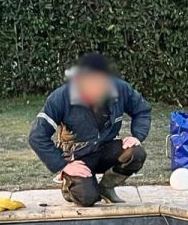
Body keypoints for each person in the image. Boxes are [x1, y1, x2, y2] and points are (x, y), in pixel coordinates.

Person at [29, 52, 152, 207]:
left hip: (104, 147)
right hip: (76, 156)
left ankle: (106, 187)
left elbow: (142, 110)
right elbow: (37, 136)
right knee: (88, 198)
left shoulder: (120, 89)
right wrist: (64, 165)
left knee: (136, 152)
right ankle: (70, 185)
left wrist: (137, 136)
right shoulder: (60, 97)